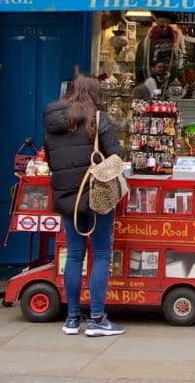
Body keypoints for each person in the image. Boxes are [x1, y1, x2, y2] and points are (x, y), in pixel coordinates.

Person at [43, 75, 126, 338]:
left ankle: (71, 319)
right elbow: (116, 155)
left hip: (68, 196)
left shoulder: (53, 122)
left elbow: (49, 158)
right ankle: (97, 319)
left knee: (75, 255)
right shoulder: (98, 119)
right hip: (96, 194)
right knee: (101, 255)